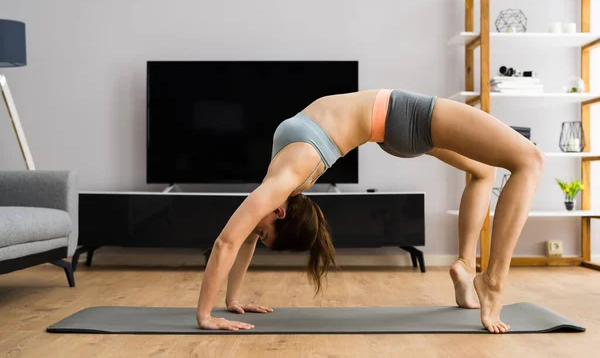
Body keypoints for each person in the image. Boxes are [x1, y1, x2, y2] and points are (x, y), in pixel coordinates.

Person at [195, 89, 545, 334]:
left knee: (485, 172)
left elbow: (235, 242)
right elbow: (230, 242)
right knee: (530, 160)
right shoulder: (284, 182)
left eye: (260, 233)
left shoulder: (280, 181)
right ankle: (494, 281)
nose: (253, 233)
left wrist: (229, 301)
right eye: (261, 233)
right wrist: (206, 315)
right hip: (400, 116)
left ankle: (466, 267)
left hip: (394, 126)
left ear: (279, 214)